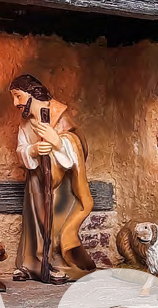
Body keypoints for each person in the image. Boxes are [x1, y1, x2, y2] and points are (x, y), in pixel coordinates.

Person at [9, 74, 95, 284]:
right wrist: (33, 150)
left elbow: (78, 143)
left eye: (18, 96)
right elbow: (21, 148)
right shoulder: (25, 121)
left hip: (62, 184)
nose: (15, 103)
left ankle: (56, 263)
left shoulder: (59, 114)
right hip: (36, 180)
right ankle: (31, 265)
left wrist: (57, 141)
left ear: (31, 94)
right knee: (35, 222)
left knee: (56, 221)